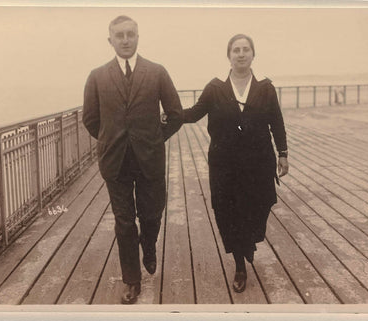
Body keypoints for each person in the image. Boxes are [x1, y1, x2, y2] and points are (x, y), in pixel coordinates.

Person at [82, 15, 183, 304]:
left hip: (149, 158)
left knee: (151, 214)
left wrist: (153, 137)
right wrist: (110, 140)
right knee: (124, 222)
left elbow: (175, 114)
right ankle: (132, 279)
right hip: (115, 161)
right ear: (110, 40)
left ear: (138, 37)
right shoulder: (97, 76)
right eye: (119, 35)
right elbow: (91, 119)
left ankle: (149, 244)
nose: (125, 40)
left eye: (130, 34)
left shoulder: (157, 72)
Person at [183, 34, 289, 293]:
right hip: (224, 165)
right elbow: (195, 113)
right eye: (236, 50)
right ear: (228, 55)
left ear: (253, 54)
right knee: (228, 213)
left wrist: (283, 153)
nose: (241, 54)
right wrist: (168, 116)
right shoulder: (215, 87)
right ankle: (240, 264)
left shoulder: (265, 88)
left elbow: (276, 122)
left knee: (258, 207)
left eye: (246, 50)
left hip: (258, 165)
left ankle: (247, 242)